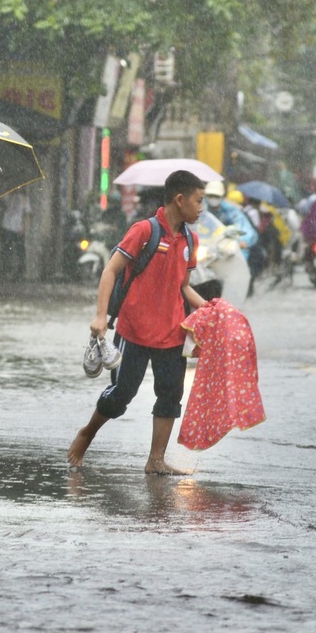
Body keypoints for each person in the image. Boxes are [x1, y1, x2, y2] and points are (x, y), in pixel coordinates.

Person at [68, 170, 207, 474]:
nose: (201, 208)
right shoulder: (144, 231)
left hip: (172, 333)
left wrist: (211, 309)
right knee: (122, 396)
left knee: (170, 395)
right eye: (198, 201)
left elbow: (183, 287)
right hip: (134, 332)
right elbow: (110, 271)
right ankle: (87, 432)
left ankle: (155, 460)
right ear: (179, 199)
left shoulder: (189, 239)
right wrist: (100, 316)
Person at [203, 180, 258, 260]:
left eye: (216, 196)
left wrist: (244, 240)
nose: (213, 198)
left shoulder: (230, 210)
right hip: (201, 246)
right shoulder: (200, 206)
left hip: (222, 248)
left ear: (222, 196)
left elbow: (244, 227)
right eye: (210, 195)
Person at [0, 190, 31, 279]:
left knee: (20, 249)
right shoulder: (8, 195)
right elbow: (3, 204)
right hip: (7, 225)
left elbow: (27, 214)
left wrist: (25, 226)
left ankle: (20, 271)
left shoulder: (25, 198)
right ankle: (6, 270)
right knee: (6, 249)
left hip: (18, 227)